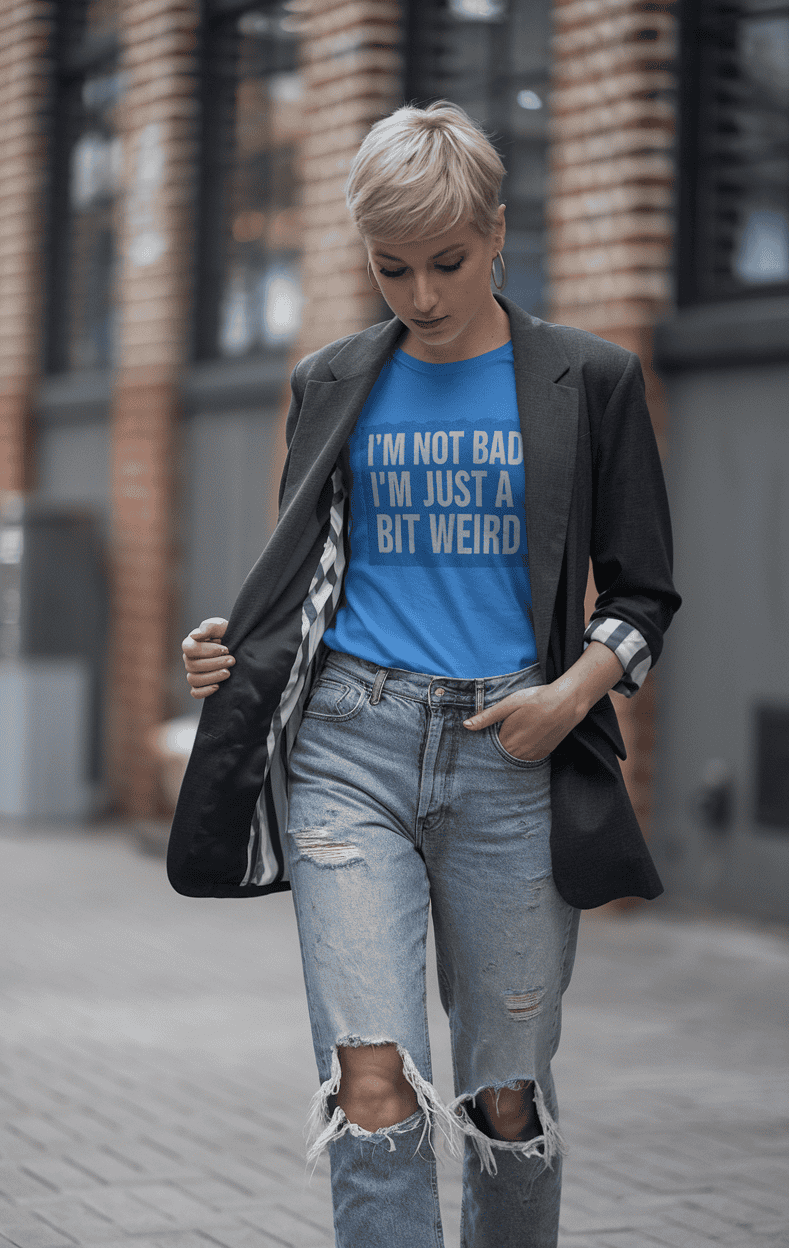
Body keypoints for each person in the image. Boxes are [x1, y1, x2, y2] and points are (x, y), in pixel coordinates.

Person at [168, 101, 680, 1248]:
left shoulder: (588, 381)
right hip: (349, 746)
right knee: (371, 1084)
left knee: (507, 1102)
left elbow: (643, 597)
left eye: (447, 261)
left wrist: (568, 695)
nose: (422, 295)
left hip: (514, 754)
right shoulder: (330, 381)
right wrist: (228, 646)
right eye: (390, 267)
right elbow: (305, 572)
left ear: (497, 232)